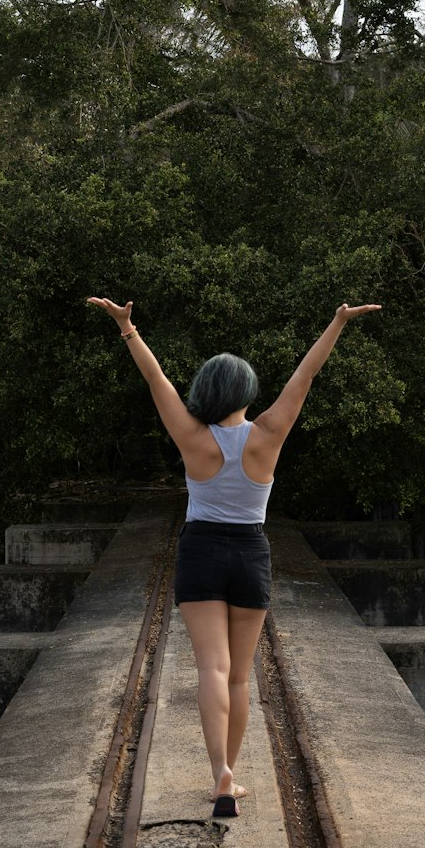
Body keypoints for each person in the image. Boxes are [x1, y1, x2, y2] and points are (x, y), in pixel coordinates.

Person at [86, 295, 381, 818]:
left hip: (200, 550)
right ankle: (231, 776)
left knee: (211, 670)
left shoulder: (193, 437)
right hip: (250, 552)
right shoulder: (267, 435)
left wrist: (128, 329)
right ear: (246, 392)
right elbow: (305, 376)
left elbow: (158, 383)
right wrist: (336, 323)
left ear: (206, 391)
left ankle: (218, 769)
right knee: (241, 676)